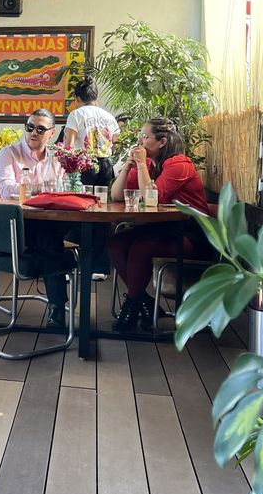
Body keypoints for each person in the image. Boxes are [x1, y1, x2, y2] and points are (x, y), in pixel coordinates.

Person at [108, 117, 210, 331]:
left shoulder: (179, 164)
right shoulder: (148, 165)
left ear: (162, 141)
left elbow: (151, 199)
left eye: (145, 137)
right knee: (116, 243)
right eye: (140, 136)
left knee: (141, 248)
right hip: (161, 230)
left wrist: (140, 166)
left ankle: (131, 309)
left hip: (191, 234)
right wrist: (127, 167)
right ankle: (142, 300)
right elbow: (116, 196)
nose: (140, 141)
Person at [0, 109, 70, 328]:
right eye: (29, 127)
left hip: (50, 222)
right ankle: (58, 306)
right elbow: (6, 190)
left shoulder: (57, 159)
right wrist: (42, 188)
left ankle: (64, 298)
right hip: (15, 225)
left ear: (52, 133)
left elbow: (63, 190)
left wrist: (35, 190)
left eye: (40, 129)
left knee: (76, 234)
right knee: (51, 241)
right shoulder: (9, 153)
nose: (33, 132)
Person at [63, 76, 120, 187]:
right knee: (103, 196)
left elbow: (69, 145)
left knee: (84, 196)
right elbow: (117, 144)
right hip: (107, 165)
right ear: (97, 97)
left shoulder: (76, 114)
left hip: (85, 164)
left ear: (76, 99)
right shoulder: (109, 116)